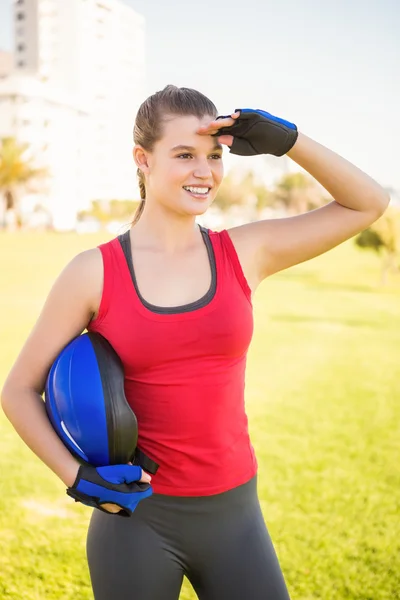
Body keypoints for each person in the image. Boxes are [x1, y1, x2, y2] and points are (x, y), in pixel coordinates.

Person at [1, 85, 389, 600]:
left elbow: (369, 203)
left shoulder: (246, 251)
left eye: (214, 155)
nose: (204, 171)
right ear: (143, 159)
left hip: (235, 515)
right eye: (184, 155)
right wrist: (78, 478)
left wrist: (289, 142)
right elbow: (19, 390)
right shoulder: (93, 272)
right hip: (137, 520)